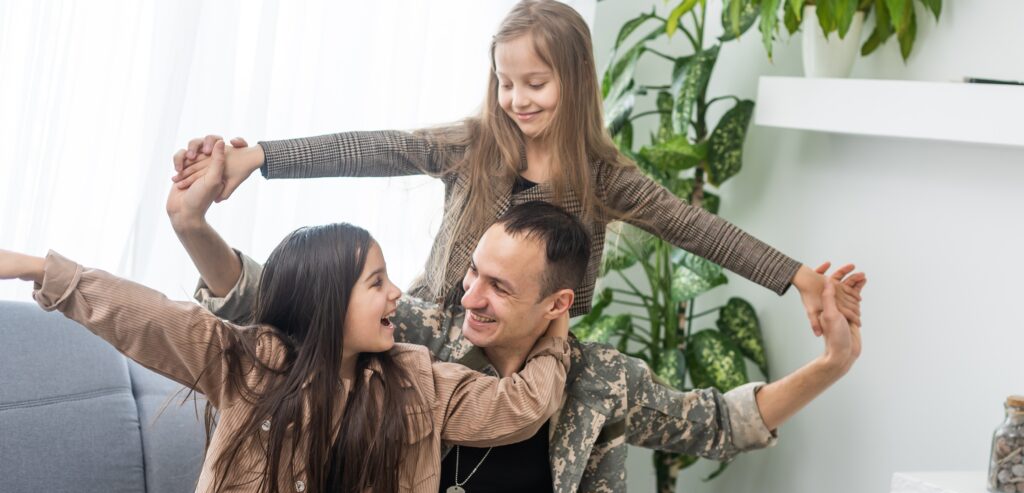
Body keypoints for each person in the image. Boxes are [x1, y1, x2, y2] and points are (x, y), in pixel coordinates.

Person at [184, 197, 863, 493]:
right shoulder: (415, 336)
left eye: (498, 286)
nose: (471, 294)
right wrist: (193, 225)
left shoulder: (598, 382)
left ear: (556, 306)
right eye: (473, 270)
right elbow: (275, 300)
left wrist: (831, 364)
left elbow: (716, 421)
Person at [0, 141, 574, 493]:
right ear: (329, 298)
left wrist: (554, 332)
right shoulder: (253, 366)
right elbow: (146, 318)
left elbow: (517, 409)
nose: (397, 293)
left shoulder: (414, 377)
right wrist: (35, 268)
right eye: (377, 282)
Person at [169, 0, 863, 335]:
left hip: (522, 349)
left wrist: (798, 276)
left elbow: (694, 228)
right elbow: (375, 147)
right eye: (507, 82)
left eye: (536, 83)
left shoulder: (604, 179)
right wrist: (259, 156)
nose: (517, 99)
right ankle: (206, 252)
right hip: (432, 322)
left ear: (575, 80)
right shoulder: (474, 144)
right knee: (294, 315)